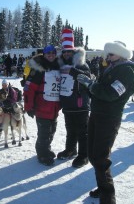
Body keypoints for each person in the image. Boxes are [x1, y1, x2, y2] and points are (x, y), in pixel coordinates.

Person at [77, 41, 134, 204]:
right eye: (107, 54)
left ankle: (108, 197)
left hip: (109, 117)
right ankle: (102, 187)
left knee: (100, 158)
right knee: (92, 154)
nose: (107, 57)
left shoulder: (127, 71)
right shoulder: (112, 67)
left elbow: (111, 94)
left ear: (122, 54)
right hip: (97, 114)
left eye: (111, 54)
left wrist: (91, 85)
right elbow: (100, 92)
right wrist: (88, 86)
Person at [57, 28, 91, 168]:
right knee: (70, 129)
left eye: (69, 51)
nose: (66, 54)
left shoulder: (81, 64)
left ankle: (84, 155)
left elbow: (88, 78)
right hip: (67, 104)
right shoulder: (60, 65)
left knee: (83, 132)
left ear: (74, 52)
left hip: (80, 105)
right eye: (64, 52)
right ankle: (71, 149)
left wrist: (73, 71)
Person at [23, 45, 61, 166]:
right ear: (43, 54)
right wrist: (28, 106)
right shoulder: (39, 69)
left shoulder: (57, 67)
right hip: (41, 106)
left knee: (52, 131)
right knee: (44, 133)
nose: (51, 55)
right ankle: (42, 154)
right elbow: (29, 89)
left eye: (53, 53)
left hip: (54, 107)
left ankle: (46, 149)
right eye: (48, 53)